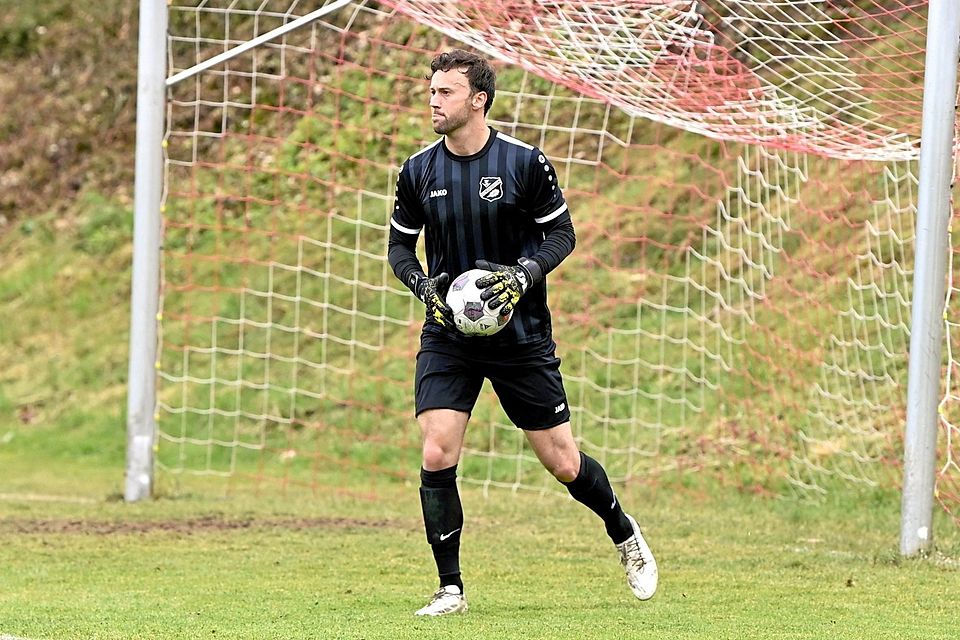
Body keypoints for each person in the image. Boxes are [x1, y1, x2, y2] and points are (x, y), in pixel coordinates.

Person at [387, 49, 658, 617]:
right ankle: (450, 589)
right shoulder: (418, 171)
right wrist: (424, 287)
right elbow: (399, 248)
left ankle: (623, 530)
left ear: (478, 100)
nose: (433, 101)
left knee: (563, 462)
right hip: (449, 333)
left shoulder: (524, 163)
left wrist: (523, 275)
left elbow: (562, 236)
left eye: (445, 92)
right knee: (437, 449)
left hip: (521, 335)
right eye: (431, 91)